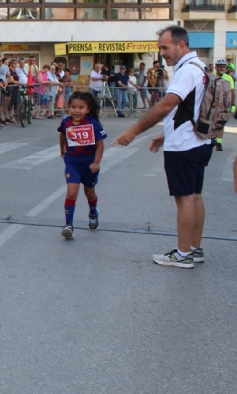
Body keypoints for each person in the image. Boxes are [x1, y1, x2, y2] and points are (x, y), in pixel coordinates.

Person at [112, 26, 213, 269]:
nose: (162, 54)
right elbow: (190, 110)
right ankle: (194, 249)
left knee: (184, 199)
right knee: (195, 196)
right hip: (199, 141)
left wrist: (134, 131)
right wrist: (164, 135)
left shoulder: (186, 71)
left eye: (165, 47)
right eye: (160, 48)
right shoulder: (201, 68)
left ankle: (183, 253)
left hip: (185, 146)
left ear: (181, 45)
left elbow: (167, 106)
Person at [58, 91, 106, 239]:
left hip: (89, 164)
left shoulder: (93, 124)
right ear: (68, 108)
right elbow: (62, 134)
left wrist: (96, 162)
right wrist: (62, 149)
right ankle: (68, 225)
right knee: (72, 192)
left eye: (81, 107)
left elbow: (100, 145)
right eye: (73, 107)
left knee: (89, 193)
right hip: (72, 162)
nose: (77, 111)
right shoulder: (66, 122)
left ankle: (93, 212)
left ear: (88, 109)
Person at [214, 59, 234, 151]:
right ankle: (211, 139)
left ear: (226, 68)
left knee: (220, 124)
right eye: (220, 66)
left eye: (223, 66)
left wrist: (233, 104)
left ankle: (219, 142)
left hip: (224, 106)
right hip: (212, 105)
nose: (221, 68)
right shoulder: (211, 76)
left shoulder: (229, 78)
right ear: (216, 67)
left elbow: (232, 92)